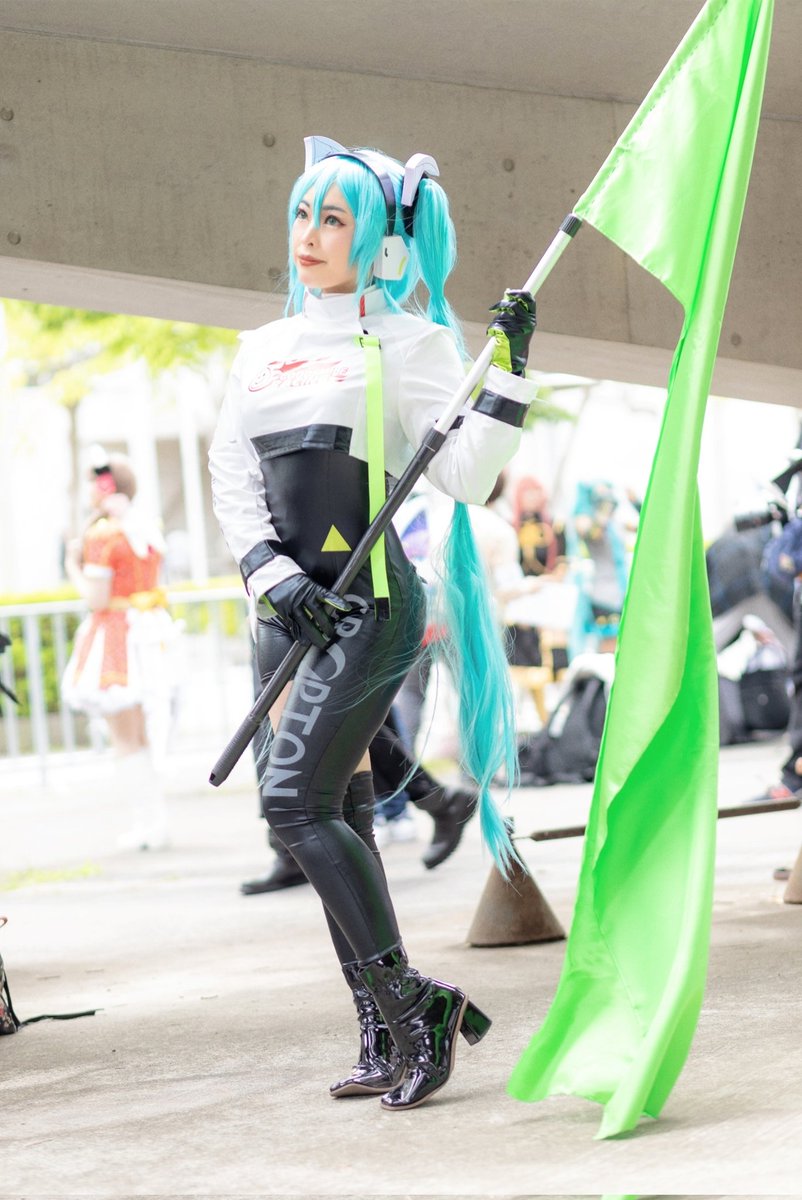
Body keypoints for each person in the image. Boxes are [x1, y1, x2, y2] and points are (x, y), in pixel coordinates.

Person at [208, 135, 537, 1109]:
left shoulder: (411, 343)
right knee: (340, 815)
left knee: (292, 806)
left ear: (379, 239)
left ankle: (415, 1007)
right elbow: (231, 470)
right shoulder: (261, 348)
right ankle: (385, 1032)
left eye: (333, 218)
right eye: (301, 214)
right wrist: (272, 575)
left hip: (370, 604)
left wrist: (510, 373)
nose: (308, 235)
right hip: (283, 611)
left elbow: (467, 476)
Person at [62, 447, 178, 850]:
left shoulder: (103, 533)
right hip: (147, 631)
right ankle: (154, 823)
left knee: (125, 738)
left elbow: (96, 598)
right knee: (142, 734)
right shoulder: (143, 528)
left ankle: (149, 825)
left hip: (117, 636)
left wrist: (72, 567)